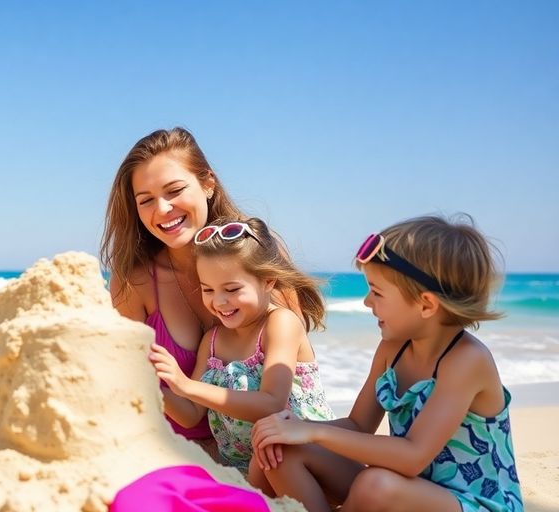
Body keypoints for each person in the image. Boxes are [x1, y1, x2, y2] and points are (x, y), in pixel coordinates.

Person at [251, 215, 523, 512]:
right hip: (408, 488)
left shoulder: (466, 360)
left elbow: (413, 456)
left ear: (426, 304)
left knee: (375, 485)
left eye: (377, 292)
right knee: (280, 451)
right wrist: (296, 428)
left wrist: (314, 432)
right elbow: (358, 425)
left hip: (473, 502)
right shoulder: (393, 349)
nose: (367, 302)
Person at [101, 127, 298, 459]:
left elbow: (294, 382)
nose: (162, 209)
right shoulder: (134, 281)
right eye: (146, 200)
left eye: (175, 190)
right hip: (174, 451)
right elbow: (127, 386)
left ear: (208, 184)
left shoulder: (258, 252)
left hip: (270, 455)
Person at [150, 218, 334, 490]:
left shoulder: (280, 324)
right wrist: (151, 386)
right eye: (207, 289)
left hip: (303, 458)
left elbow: (271, 403)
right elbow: (190, 414)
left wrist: (186, 385)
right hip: (247, 472)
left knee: (276, 455)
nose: (219, 301)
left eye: (232, 289)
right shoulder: (212, 341)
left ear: (268, 281)